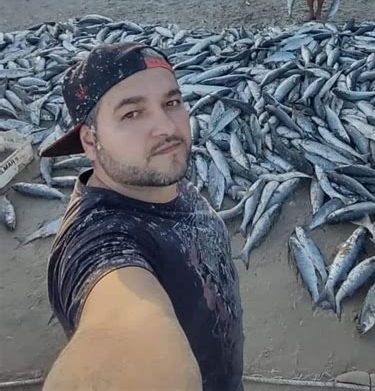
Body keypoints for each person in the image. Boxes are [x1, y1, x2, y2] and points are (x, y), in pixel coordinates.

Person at [40, 43, 243, 391]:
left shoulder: (154, 175)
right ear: (90, 141)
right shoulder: (99, 239)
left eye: (171, 103)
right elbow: (122, 331)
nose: (165, 127)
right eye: (132, 114)